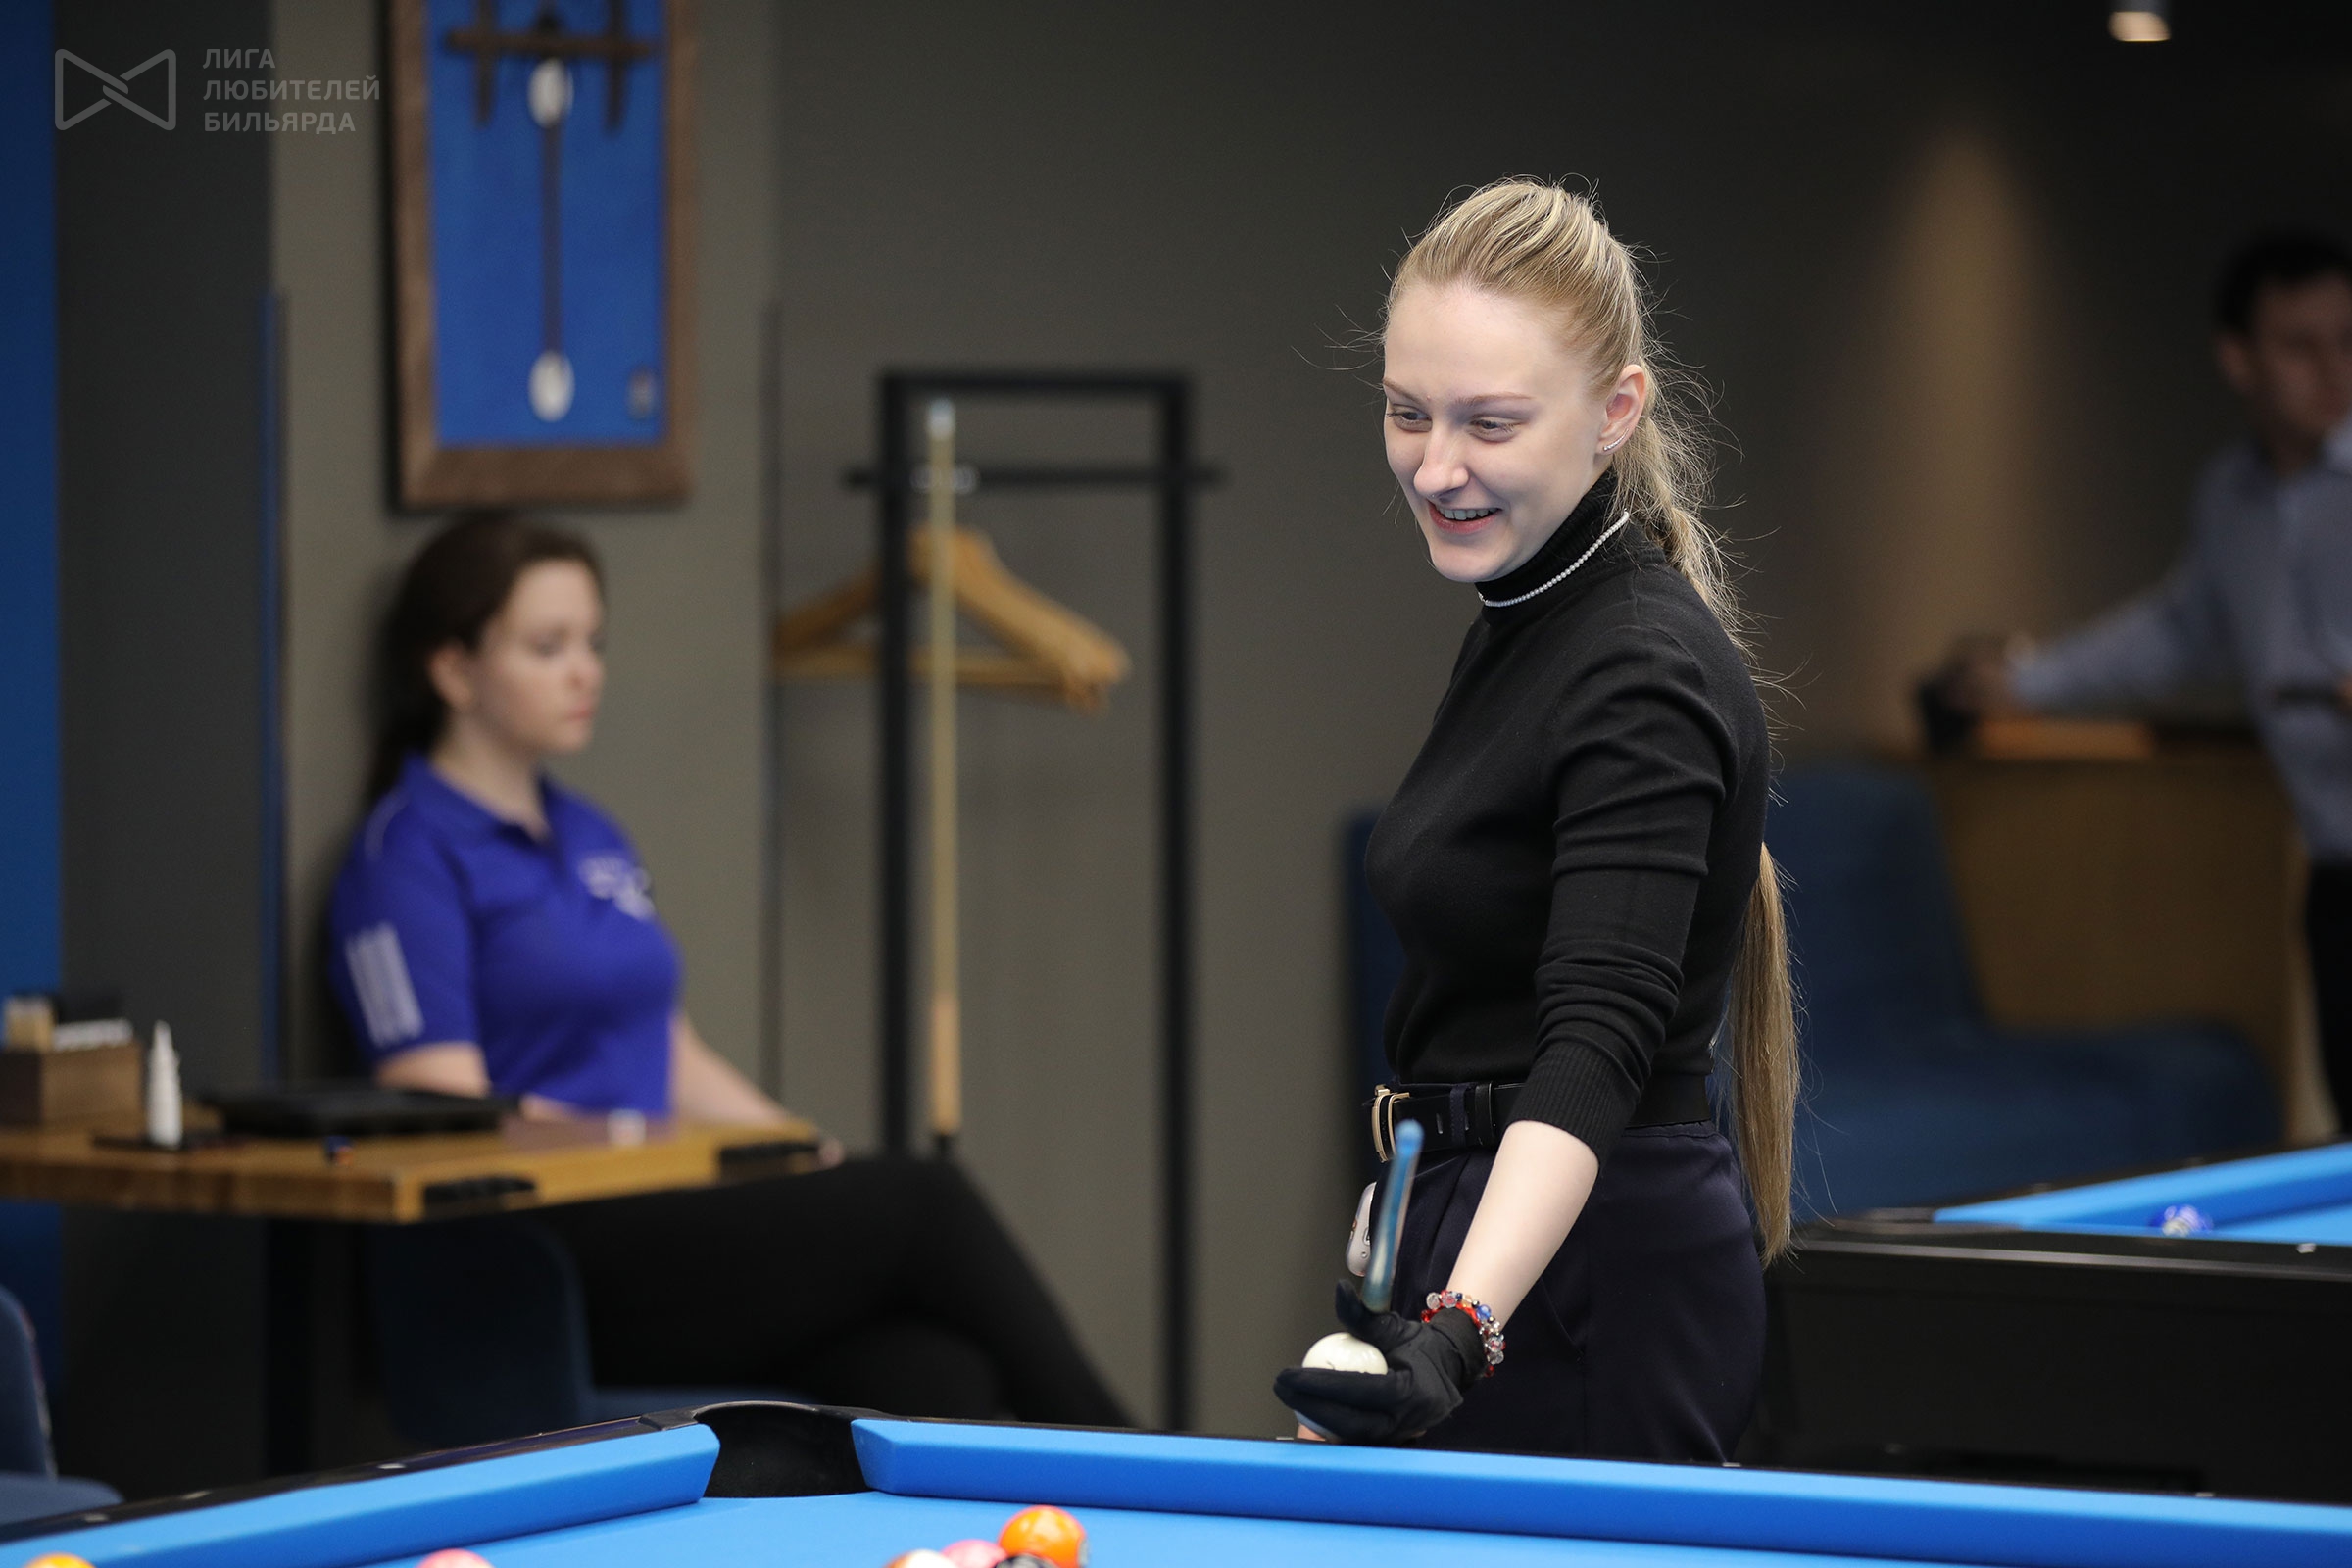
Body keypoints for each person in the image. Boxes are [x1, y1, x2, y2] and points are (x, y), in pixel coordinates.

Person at [328, 512, 1128, 1426]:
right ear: (454, 671)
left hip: (669, 1212)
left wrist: (796, 1150)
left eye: (593, 643)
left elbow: (669, 1051)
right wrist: (634, 1141)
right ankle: (1151, 1475)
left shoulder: (589, 832)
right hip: (550, 1257)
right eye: (548, 648)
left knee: (926, 1369)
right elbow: (442, 1107)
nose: (585, 672)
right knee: (923, 1200)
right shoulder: (405, 857)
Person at [1275, 181, 1798, 1459]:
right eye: (1408, 412)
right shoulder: (1531, 620)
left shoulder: (1639, 670)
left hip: (1590, 1285)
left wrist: (1461, 1326)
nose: (1435, 467)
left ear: (1616, 411)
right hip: (1481, 1240)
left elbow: (1596, 1045)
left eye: (1490, 423)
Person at [1935, 232, 2352, 1116]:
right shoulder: (2231, 496)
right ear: (2239, 359)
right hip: (2336, 872)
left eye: (2349, 342)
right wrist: (2025, 683)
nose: (2333, 369)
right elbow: (2179, 633)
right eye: (2301, 346)